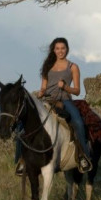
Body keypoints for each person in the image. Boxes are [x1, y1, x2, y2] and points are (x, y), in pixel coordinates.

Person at [38, 37, 91, 172]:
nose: (60, 51)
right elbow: (43, 87)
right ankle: (21, 160)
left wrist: (66, 87)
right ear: (53, 50)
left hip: (65, 101)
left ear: (67, 49)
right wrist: (41, 93)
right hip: (47, 100)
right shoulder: (47, 66)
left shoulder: (73, 67)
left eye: (63, 48)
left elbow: (77, 91)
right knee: (24, 122)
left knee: (78, 122)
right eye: (57, 48)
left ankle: (83, 156)